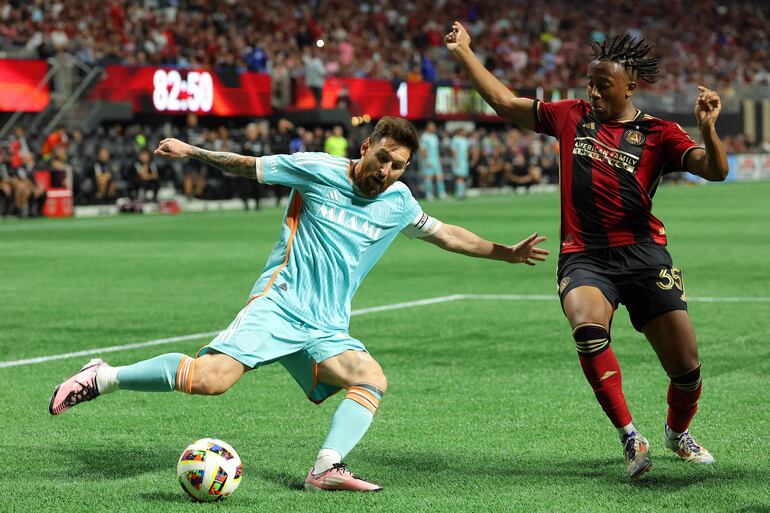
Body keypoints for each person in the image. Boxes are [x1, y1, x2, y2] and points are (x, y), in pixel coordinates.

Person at [49, 116, 549, 492]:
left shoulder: (398, 201)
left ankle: (325, 468)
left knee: (371, 378)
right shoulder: (316, 170)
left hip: (325, 326)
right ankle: (102, 375)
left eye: (399, 165)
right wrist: (193, 151)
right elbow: (249, 166)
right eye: (384, 158)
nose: (389, 170)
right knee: (210, 382)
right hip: (280, 304)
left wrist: (504, 252)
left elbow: (447, 235)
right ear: (367, 145)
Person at [446, 24, 728, 479]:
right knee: (588, 329)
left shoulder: (660, 133)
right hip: (585, 256)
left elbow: (715, 170)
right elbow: (505, 102)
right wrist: (464, 53)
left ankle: (679, 433)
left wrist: (709, 129)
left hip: (644, 255)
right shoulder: (570, 115)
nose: (593, 93)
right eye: (590, 84)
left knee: (686, 368)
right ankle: (630, 434)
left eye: (603, 85)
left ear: (630, 87)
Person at [419, 122, 446, 200]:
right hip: (428, 160)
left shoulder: (434, 136)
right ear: (428, 127)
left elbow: (436, 149)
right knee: (429, 177)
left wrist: (438, 158)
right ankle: (429, 194)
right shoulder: (424, 137)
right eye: (432, 127)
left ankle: (441, 193)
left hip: (436, 160)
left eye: (434, 127)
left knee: (439, 177)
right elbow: (423, 150)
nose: (433, 128)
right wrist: (426, 160)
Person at [450, 127, 470, 198]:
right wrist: (456, 161)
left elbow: (466, 151)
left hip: (464, 161)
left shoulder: (465, 140)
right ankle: (459, 193)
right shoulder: (455, 139)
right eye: (463, 131)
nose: (465, 133)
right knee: (459, 177)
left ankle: (462, 192)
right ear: (459, 131)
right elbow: (453, 150)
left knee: (463, 177)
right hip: (458, 161)